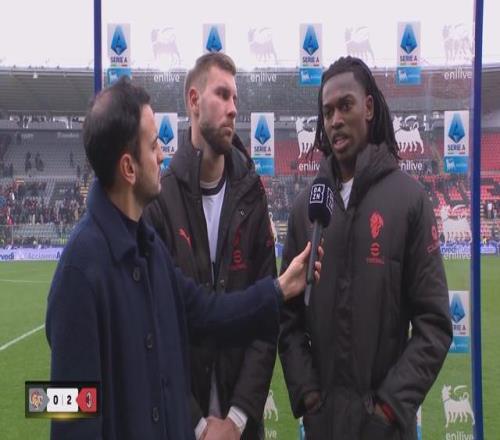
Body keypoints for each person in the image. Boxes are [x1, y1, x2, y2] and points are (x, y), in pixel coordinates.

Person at [46, 77, 322, 440]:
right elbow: (65, 411)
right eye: (153, 146)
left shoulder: (150, 249)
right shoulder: (79, 270)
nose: (162, 155)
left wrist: (278, 289)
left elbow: (208, 311)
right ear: (129, 168)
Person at [278, 56, 452, 440]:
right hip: (324, 426)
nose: (335, 120)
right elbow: (287, 320)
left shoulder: (409, 200)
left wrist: (388, 408)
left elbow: (435, 324)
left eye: (345, 106)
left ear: (369, 107)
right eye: (327, 112)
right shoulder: (306, 209)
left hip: (384, 430)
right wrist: (309, 397)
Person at [144, 52, 275, 440]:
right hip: (179, 426)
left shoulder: (253, 196)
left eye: (236, 98)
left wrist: (237, 419)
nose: (233, 108)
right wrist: (198, 425)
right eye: (222, 94)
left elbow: (267, 319)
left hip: (243, 429)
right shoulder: (159, 201)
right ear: (194, 100)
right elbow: (154, 326)